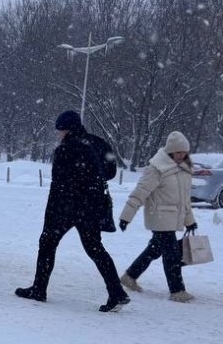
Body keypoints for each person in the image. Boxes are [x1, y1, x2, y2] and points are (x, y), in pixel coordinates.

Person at [16, 110, 129, 312]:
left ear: (66, 129)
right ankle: (117, 292)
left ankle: (39, 289)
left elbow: (58, 184)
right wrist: (92, 179)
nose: (58, 134)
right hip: (92, 205)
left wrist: (53, 212)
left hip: (66, 207)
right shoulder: (99, 143)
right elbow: (111, 171)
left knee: (47, 243)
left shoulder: (65, 149)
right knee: (95, 248)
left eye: (59, 130)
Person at [118, 131, 198, 302]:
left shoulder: (184, 170)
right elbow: (140, 192)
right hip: (159, 217)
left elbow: (185, 201)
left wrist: (190, 221)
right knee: (172, 254)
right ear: (170, 151)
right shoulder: (157, 168)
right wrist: (126, 217)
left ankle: (130, 276)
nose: (181, 156)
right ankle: (177, 291)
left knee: (154, 250)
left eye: (184, 152)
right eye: (178, 152)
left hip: (172, 218)